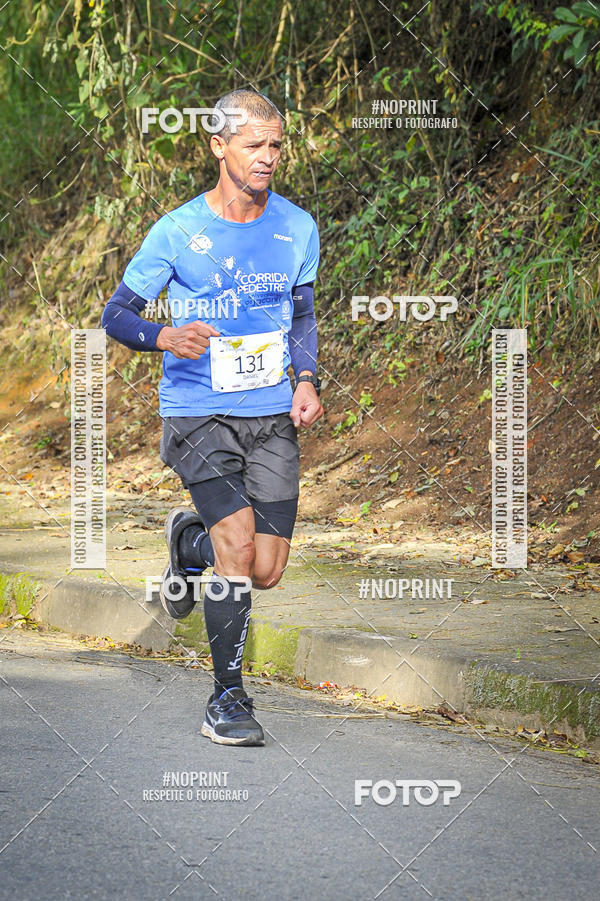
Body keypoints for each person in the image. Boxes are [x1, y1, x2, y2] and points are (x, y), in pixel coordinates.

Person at [101, 88, 323, 747]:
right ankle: (227, 698)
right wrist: (164, 337)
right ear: (218, 146)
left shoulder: (297, 227)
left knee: (266, 568)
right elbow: (117, 314)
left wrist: (306, 380)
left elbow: (303, 316)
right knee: (237, 548)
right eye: (254, 145)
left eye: (276, 145)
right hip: (198, 412)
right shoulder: (177, 231)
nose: (268, 156)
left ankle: (186, 545)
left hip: (270, 414)